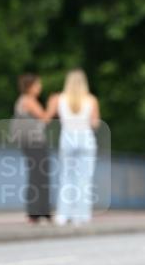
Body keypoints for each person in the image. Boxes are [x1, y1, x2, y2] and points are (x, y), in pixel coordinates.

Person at [46, 69, 100, 225]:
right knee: (85, 178)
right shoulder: (91, 100)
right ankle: (82, 216)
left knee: (66, 177)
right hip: (86, 139)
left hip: (68, 138)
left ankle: (63, 215)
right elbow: (95, 123)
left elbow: (49, 117)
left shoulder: (59, 99)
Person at [12, 73, 52, 223]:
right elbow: (45, 118)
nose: (40, 87)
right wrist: (52, 105)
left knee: (37, 175)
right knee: (39, 176)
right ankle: (39, 211)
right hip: (34, 143)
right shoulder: (28, 101)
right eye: (37, 84)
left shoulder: (23, 100)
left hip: (30, 143)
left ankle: (37, 211)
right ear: (30, 87)